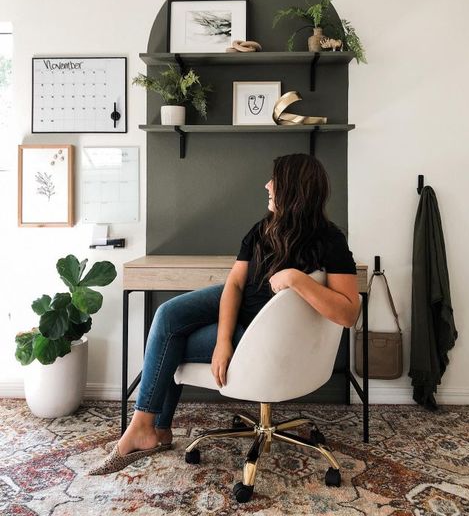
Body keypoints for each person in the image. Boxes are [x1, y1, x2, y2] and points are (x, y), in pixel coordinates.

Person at [89, 153, 360, 475]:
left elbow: (348, 313)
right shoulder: (263, 229)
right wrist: (222, 342)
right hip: (243, 311)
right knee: (168, 315)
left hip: (264, 335)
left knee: (168, 345)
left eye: (275, 180)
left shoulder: (331, 240)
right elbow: (234, 284)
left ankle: (147, 430)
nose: (267, 185)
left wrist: (296, 279)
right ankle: (152, 428)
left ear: (294, 189)